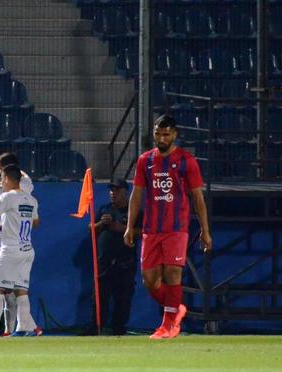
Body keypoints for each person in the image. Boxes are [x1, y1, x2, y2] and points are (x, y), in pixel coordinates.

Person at [124, 114, 212, 340]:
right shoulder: (145, 160)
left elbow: (197, 198)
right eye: (158, 134)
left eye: (166, 134)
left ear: (174, 135)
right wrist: (129, 225)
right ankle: (176, 309)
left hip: (177, 227)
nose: (161, 138)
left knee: (173, 274)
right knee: (150, 280)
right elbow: (136, 195)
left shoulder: (185, 160)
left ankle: (168, 325)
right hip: (151, 228)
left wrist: (205, 230)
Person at [0, 165, 41, 337]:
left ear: (6, 179)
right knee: (21, 290)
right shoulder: (31, 199)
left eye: (2, 179)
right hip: (27, 249)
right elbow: (35, 223)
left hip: (10, 249)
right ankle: (21, 330)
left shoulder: (8, 197)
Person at [88, 178, 142, 336]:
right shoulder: (104, 208)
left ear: (126, 191)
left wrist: (124, 229)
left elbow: (144, 232)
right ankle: (96, 327)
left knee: (123, 297)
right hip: (104, 261)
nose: (113, 193)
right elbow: (91, 229)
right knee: (99, 296)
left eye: (117, 190)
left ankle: (119, 328)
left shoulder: (134, 211)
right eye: (111, 190)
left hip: (125, 262)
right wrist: (100, 224)